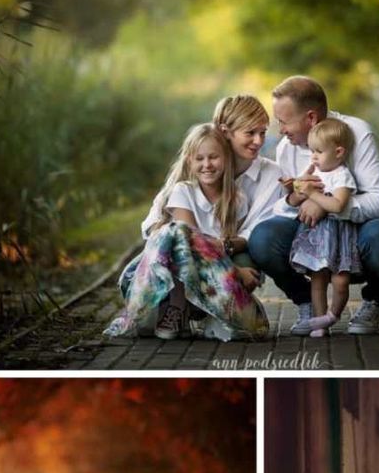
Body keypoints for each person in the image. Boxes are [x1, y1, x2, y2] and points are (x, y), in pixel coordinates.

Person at [249, 76, 379, 335]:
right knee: (262, 238)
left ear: (310, 118)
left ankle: (374, 300)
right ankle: (308, 305)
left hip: (356, 235)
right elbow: (285, 209)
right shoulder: (287, 147)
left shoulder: (358, 134)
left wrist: (327, 205)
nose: (280, 131)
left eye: (284, 122)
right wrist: (294, 199)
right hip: (312, 235)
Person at [103, 124, 269, 342]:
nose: (207, 165)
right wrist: (236, 271)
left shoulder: (237, 199)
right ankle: (176, 308)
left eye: (213, 157)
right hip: (168, 277)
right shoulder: (183, 190)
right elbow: (192, 242)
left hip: (210, 278)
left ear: (226, 159)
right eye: (199, 158)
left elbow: (225, 245)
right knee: (179, 231)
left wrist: (233, 270)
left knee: (256, 328)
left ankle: (196, 313)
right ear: (190, 161)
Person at [284, 118, 360, 337]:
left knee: (340, 280)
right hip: (316, 234)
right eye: (311, 151)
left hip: (338, 235)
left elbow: (337, 205)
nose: (313, 157)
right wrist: (295, 185)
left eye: (318, 151)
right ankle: (319, 322)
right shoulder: (315, 170)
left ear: (338, 152)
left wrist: (312, 194)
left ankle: (333, 315)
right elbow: (300, 189)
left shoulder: (342, 175)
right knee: (317, 278)